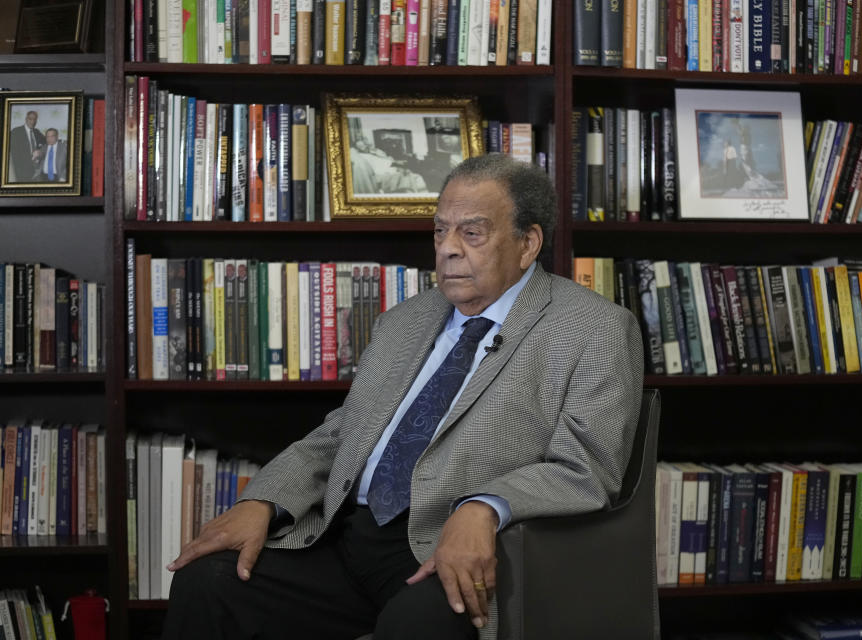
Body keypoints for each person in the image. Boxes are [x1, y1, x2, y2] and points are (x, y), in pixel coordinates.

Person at [163, 154, 645, 640]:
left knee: (416, 624)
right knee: (208, 579)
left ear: (528, 243)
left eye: (471, 233)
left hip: (452, 549)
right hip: (347, 537)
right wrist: (264, 501)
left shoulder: (595, 329)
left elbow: (587, 467)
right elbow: (342, 433)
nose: (448, 250)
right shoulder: (406, 320)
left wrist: (482, 506)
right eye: (440, 232)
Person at [7, 110, 44, 182]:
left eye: (34, 119)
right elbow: (14, 153)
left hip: (37, 169)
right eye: (30, 119)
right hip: (22, 170)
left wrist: (40, 151)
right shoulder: (16, 131)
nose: (32, 121)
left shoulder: (37, 132)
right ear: (26, 119)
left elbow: (47, 141)